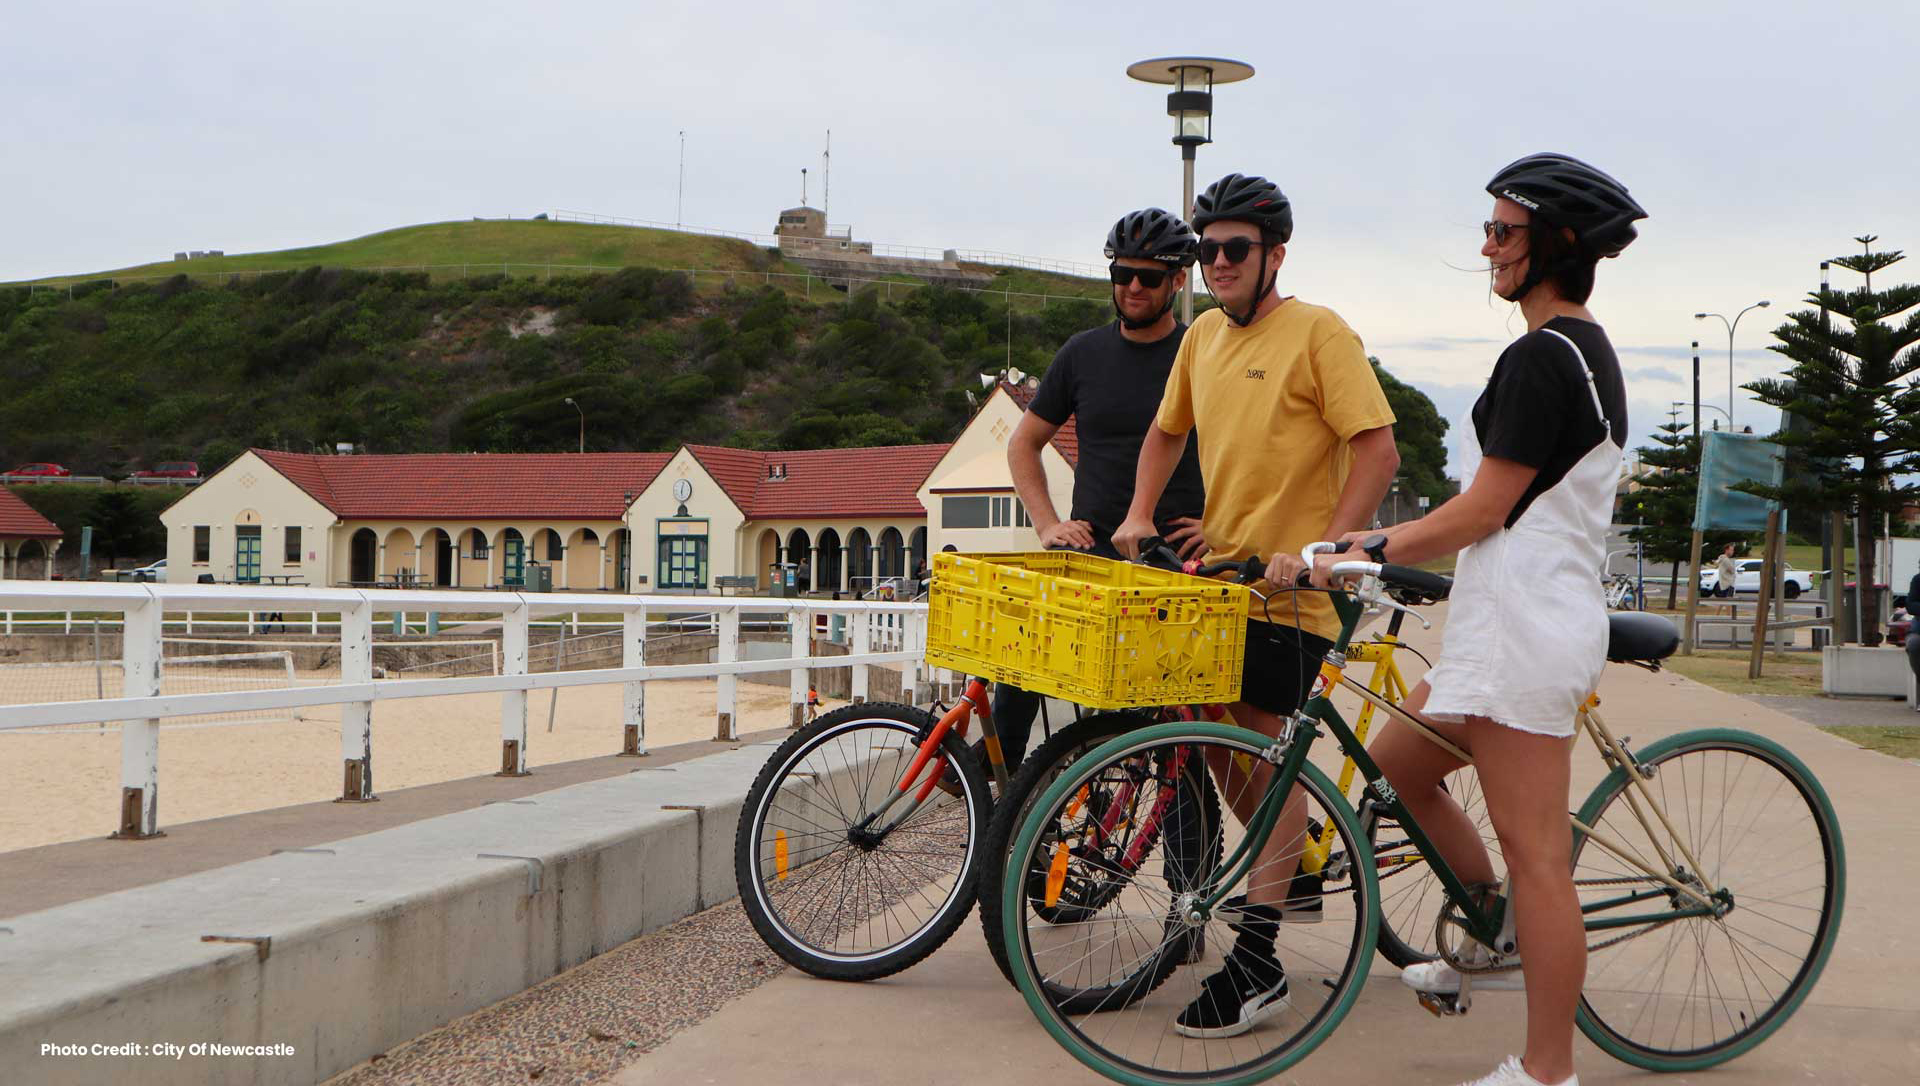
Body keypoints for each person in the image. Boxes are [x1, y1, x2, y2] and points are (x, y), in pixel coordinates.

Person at [1310, 152, 1646, 1086]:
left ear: (1554, 244)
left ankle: (1547, 1073)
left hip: (1524, 629)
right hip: (1511, 620)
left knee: (1542, 859)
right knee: (1395, 770)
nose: (1488, 246)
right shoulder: (1584, 349)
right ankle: (1490, 923)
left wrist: (1371, 545)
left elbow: (1482, 511)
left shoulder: (1544, 356)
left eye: (1504, 230)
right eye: (1488, 228)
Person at [1113, 172, 1400, 1039]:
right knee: (1208, 731)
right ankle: (1292, 869)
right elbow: (1168, 431)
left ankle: (1261, 957)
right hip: (1229, 587)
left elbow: (1378, 450)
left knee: (1267, 764)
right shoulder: (1201, 336)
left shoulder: (1318, 332)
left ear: (1275, 254)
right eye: (1207, 250)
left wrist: (1325, 552)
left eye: (1236, 249)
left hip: (1298, 597)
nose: (1219, 263)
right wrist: (1136, 514)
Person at [990, 206, 1210, 771]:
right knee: (1020, 658)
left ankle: (1191, 850)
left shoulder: (1200, 355)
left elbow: (1244, 450)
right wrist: (1046, 525)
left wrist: (1220, 525)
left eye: (1150, 277)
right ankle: (1000, 792)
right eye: (1121, 274)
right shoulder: (1082, 353)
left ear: (1178, 280)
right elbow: (1023, 444)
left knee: (1172, 729)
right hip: (1091, 552)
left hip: (1173, 559)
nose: (1133, 287)